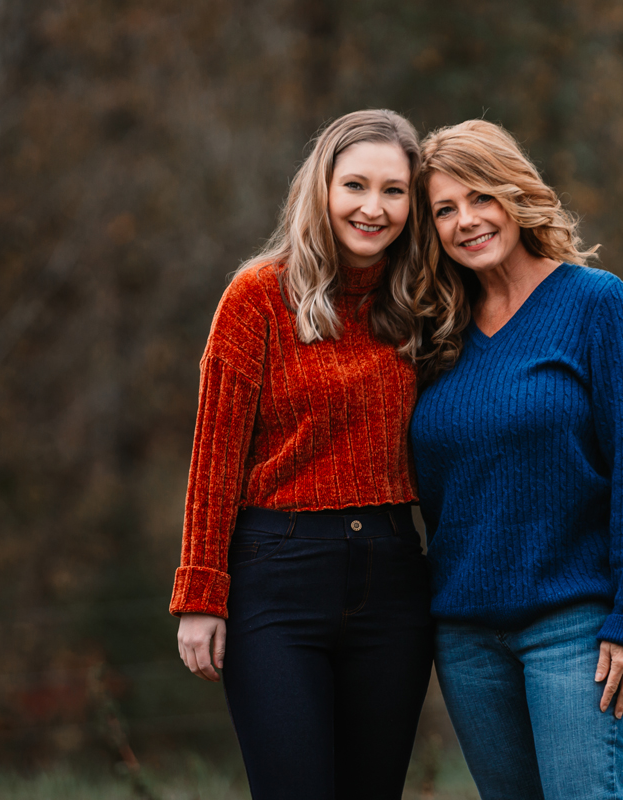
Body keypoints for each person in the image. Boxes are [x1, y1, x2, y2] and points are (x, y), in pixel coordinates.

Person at [169, 109, 434, 800]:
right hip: (275, 580)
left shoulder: (423, 306)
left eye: (394, 191)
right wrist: (201, 593)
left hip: (393, 580)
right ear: (321, 189)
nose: (373, 208)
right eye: (355, 185)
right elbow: (214, 455)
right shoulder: (256, 297)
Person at [409, 119, 623, 800]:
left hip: (574, 629)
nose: (466, 221)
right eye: (444, 209)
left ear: (514, 194)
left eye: (480, 197)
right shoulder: (435, 333)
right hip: (464, 639)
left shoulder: (596, 305)